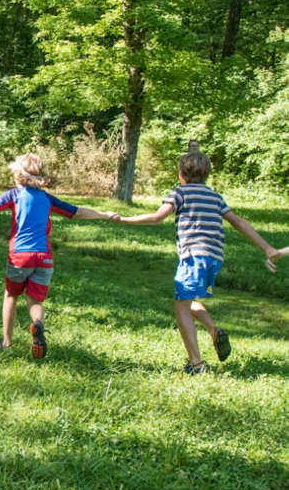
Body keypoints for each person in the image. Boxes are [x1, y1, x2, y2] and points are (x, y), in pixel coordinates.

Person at [117, 151, 279, 374]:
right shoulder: (215, 196)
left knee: (181, 306)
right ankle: (214, 331)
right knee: (188, 299)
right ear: (206, 174)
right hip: (214, 259)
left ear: (181, 173)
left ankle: (196, 365)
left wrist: (124, 219)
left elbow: (157, 217)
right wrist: (267, 247)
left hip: (194, 257)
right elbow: (240, 223)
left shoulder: (179, 193)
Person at [0, 153, 118, 359]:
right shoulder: (47, 198)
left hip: (20, 256)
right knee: (35, 300)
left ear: (18, 175)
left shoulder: (14, 195)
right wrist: (105, 215)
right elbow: (78, 212)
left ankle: (7, 343)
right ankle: (37, 324)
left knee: (11, 296)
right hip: (44, 258)